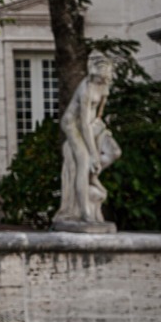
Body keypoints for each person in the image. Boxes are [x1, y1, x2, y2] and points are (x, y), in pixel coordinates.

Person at [54, 52, 122, 227]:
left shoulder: (104, 86)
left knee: (115, 152)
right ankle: (85, 212)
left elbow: (99, 112)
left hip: (92, 123)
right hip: (73, 124)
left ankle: (93, 175)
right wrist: (92, 153)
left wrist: (100, 128)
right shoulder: (85, 88)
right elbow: (82, 123)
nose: (107, 74)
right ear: (94, 70)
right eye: (104, 70)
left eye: (109, 70)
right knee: (83, 162)